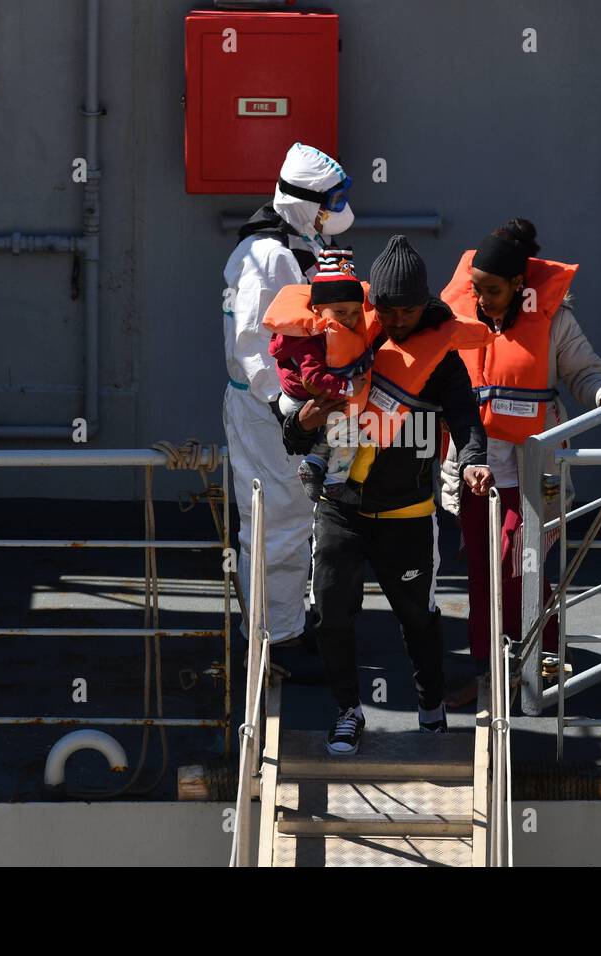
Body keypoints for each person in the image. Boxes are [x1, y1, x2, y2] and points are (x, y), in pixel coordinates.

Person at [281, 236, 494, 756]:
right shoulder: (352, 344)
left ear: (425, 305)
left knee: (417, 618)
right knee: (331, 615)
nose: (397, 321)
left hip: (408, 514)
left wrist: (472, 463)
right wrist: (308, 418)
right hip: (339, 512)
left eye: (408, 311)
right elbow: (292, 435)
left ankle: (431, 713)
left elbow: (466, 419)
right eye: (389, 310)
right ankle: (349, 711)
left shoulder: (440, 358)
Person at [438, 219, 601, 708]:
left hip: (534, 472)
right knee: (484, 575)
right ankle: (489, 672)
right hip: (475, 471)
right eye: (477, 289)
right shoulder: (457, 320)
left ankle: (541, 662)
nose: (482, 299)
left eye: (493, 291)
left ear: (518, 287)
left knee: (523, 564)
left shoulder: (554, 322)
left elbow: (584, 371)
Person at [222, 143, 353, 647]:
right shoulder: (267, 256)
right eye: (327, 202)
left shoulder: (293, 245)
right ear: (304, 201)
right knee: (274, 523)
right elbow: (253, 342)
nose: (331, 212)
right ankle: (277, 640)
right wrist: (288, 408)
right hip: (267, 412)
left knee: (296, 517)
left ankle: (288, 625)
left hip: (292, 409)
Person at [264, 248, 376, 504]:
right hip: (302, 401)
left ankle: (314, 463)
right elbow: (313, 380)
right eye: (340, 312)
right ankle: (335, 482)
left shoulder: (331, 333)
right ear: (317, 310)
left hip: (309, 398)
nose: (349, 320)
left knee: (337, 428)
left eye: (355, 312)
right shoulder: (309, 340)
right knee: (347, 431)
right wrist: (349, 387)